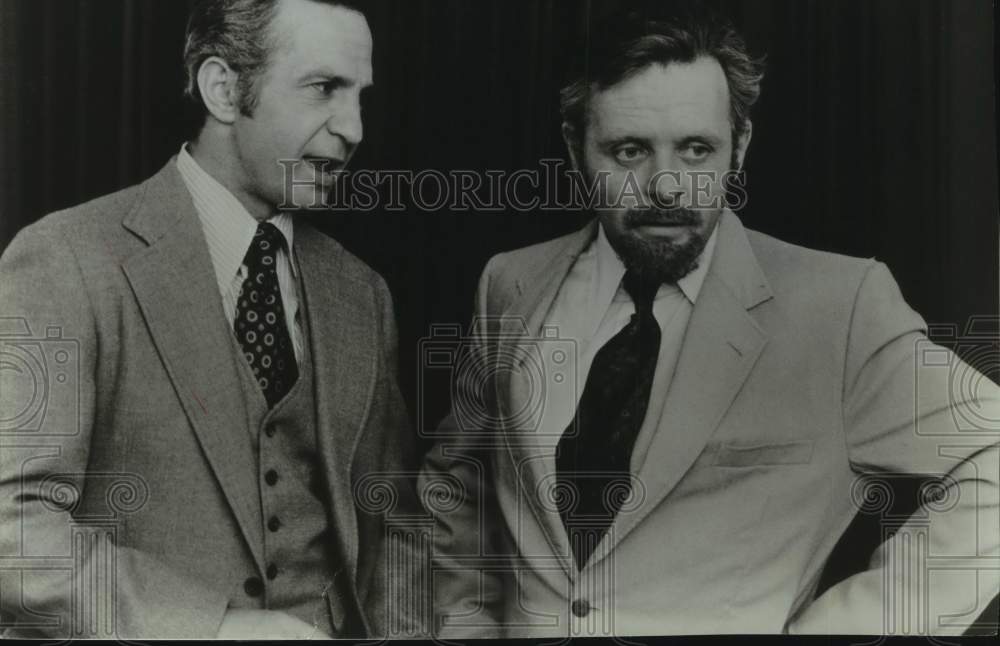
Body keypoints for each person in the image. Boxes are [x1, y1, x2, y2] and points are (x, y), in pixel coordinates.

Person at [420, 3, 1000, 637]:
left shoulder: (842, 306)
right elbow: (459, 483)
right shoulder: (509, 284)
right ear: (574, 146)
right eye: (629, 150)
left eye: (697, 150)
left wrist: (851, 628)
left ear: (740, 146)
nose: (665, 185)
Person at [0, 0, 424, 638]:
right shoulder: (66, 260)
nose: (353, 127)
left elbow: (394, 528)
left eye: (360, 95)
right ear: (223, 89)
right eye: (324, 88)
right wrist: (216, 629)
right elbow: (12, 528)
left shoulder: (362, 292)